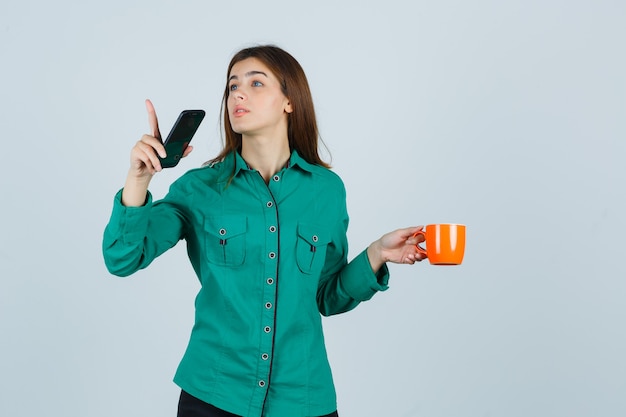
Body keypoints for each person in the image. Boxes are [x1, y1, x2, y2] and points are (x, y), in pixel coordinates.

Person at [103, 45, 426, 417]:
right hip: (214, 395)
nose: (238, 93)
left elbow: (326, 297)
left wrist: (377, 254)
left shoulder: (326, 191)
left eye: (256, 83)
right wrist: (138, 179)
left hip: (303, 399)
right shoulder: (199, 188)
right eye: (232, 85)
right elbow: (122, 259)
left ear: (290, 101)